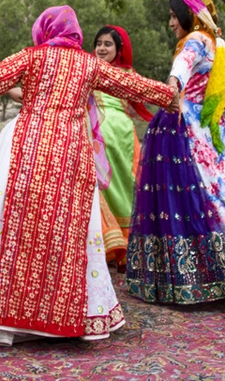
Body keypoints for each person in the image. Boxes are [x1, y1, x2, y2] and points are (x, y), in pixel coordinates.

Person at [0, 6, 177, 345]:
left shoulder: (31, 57)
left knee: (19, 232)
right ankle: (62, 317)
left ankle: (9, 319)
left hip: (27, 148)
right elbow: (132, 84)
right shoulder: (89, 64)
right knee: (64, 234)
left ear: (44, 31)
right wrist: (170, 96)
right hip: (71, 153)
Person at [125, 0, 225, 307]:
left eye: (175, 16)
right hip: (212, 128)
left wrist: (170, 90)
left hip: (186, 129)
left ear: (190, 15)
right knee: (221, 197)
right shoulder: (219, 44)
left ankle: (198, 277)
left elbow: (180, 71)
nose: (171, 23)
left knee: (189, 199)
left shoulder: (195, 42)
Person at [90, 25, 155, 270]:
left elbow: (148, 92)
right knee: (100, 188)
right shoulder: (89, 69)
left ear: (119, 49)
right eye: (99, 43)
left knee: (125, 185)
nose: (102, 48)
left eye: (108, 44)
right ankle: (111, 245)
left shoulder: (126, 73)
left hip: (120, 137)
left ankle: (129, 245)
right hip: (94, 136)